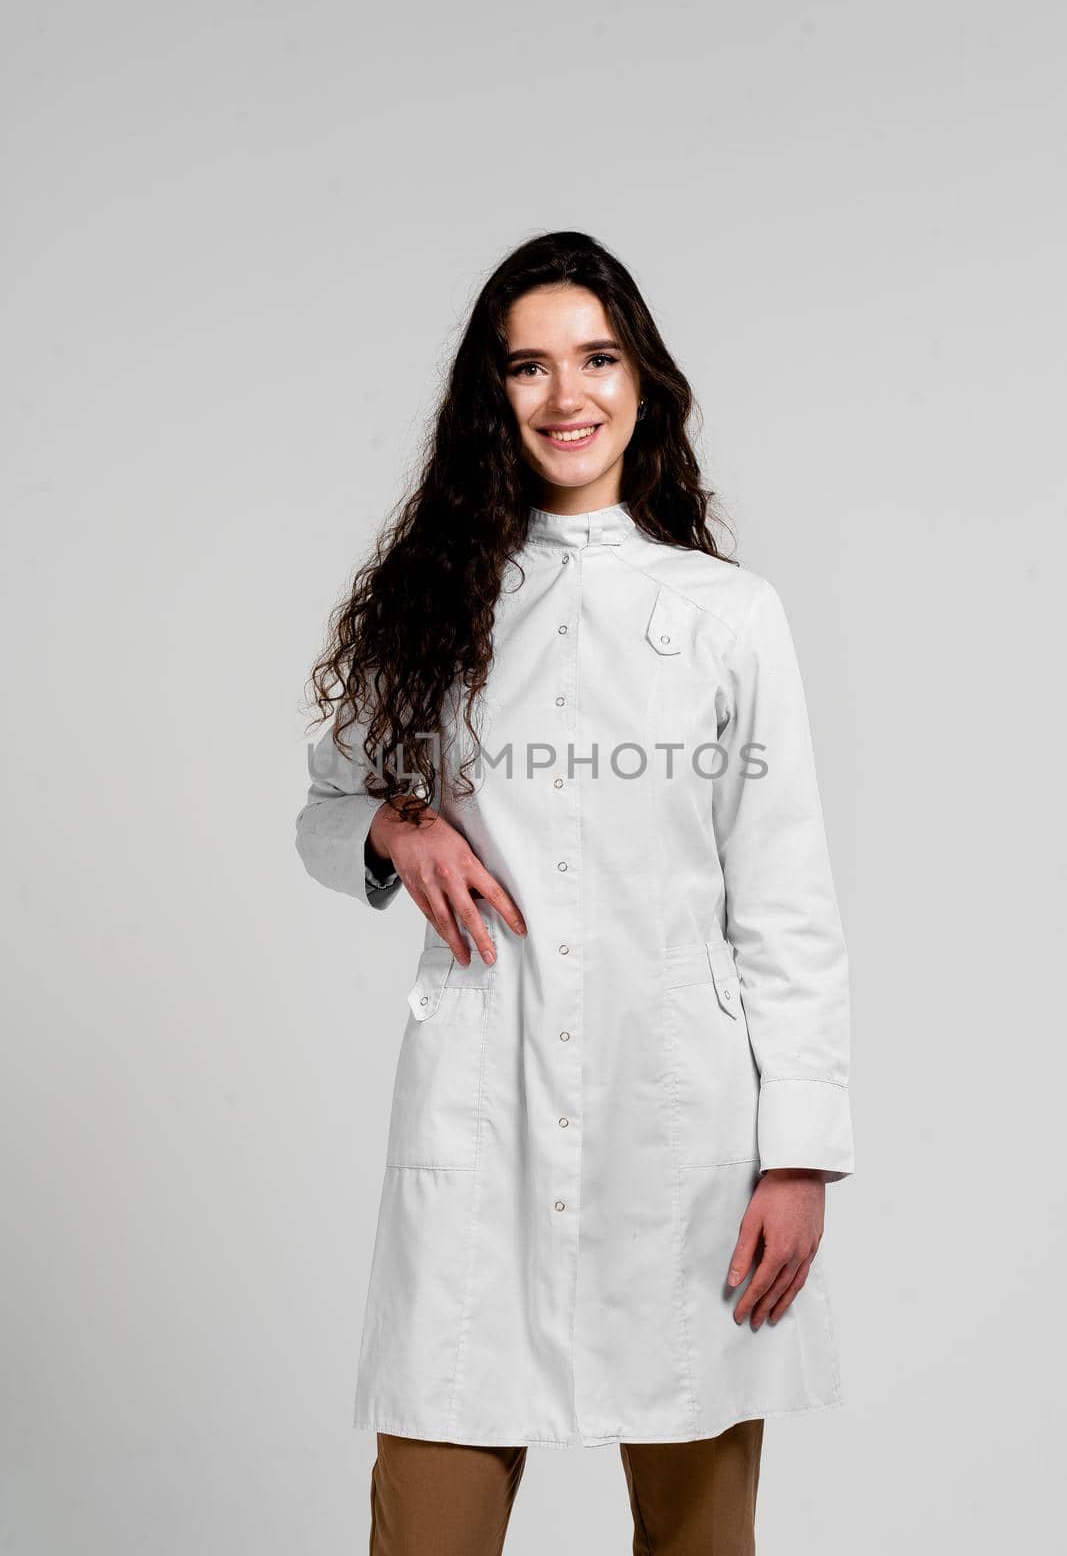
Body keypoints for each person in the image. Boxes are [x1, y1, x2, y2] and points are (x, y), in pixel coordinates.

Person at [294, 230, 855, 1555]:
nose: (567, 396)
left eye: (596, 358)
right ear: (490, 399)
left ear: (642, 381)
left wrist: (800, 1154)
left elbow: (785, 901)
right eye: (528, 367)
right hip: (484, 1121)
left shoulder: (727, 614)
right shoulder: (433, 609)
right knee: (427, 1524)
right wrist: (389, 830)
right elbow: (322, 810)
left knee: (700, 1538)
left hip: (685, 1136)